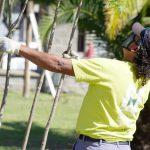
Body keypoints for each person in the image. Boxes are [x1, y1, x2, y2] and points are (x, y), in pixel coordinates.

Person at [0, 22, 150, 150]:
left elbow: (58, 64)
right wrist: (80, 63)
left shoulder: (111, 68)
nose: (130, 37)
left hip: (97, 146)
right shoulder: (146, 80)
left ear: (135, 48)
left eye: (135, 38)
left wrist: (17, 47)